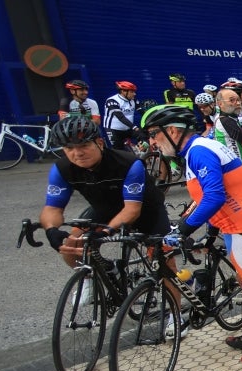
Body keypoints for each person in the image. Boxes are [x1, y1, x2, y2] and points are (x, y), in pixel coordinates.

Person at [142, 104, 242, 365]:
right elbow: (207, 196)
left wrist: (184, 230)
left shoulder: (199, 151)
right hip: (234, 224)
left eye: (154, 134)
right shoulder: (196, 149)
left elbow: (214, 196)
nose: (152, 141)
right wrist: (198, 227)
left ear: (173, 131)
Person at [40, 114, 169, 270]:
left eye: (84, 145)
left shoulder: (128, 164)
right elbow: (52, 209)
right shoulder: (62, 169)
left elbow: (131, 210)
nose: (77, 153)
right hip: (104, 210)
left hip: (146, 212)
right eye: (69, 148)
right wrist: (51, 230)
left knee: (164, 266)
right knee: (72, 246)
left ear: (100, 143)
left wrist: (106, 232)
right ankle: (93, 277)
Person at [102, 81, 141, 151]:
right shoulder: (112, 100)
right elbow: (120, 117)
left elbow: (142, 112)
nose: (134, 94)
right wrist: (134, 127)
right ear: (123, 91)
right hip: (113, 129)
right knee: (119, 150)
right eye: (132, 92)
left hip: (128, 128)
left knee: (143, 136)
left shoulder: (133, 100)